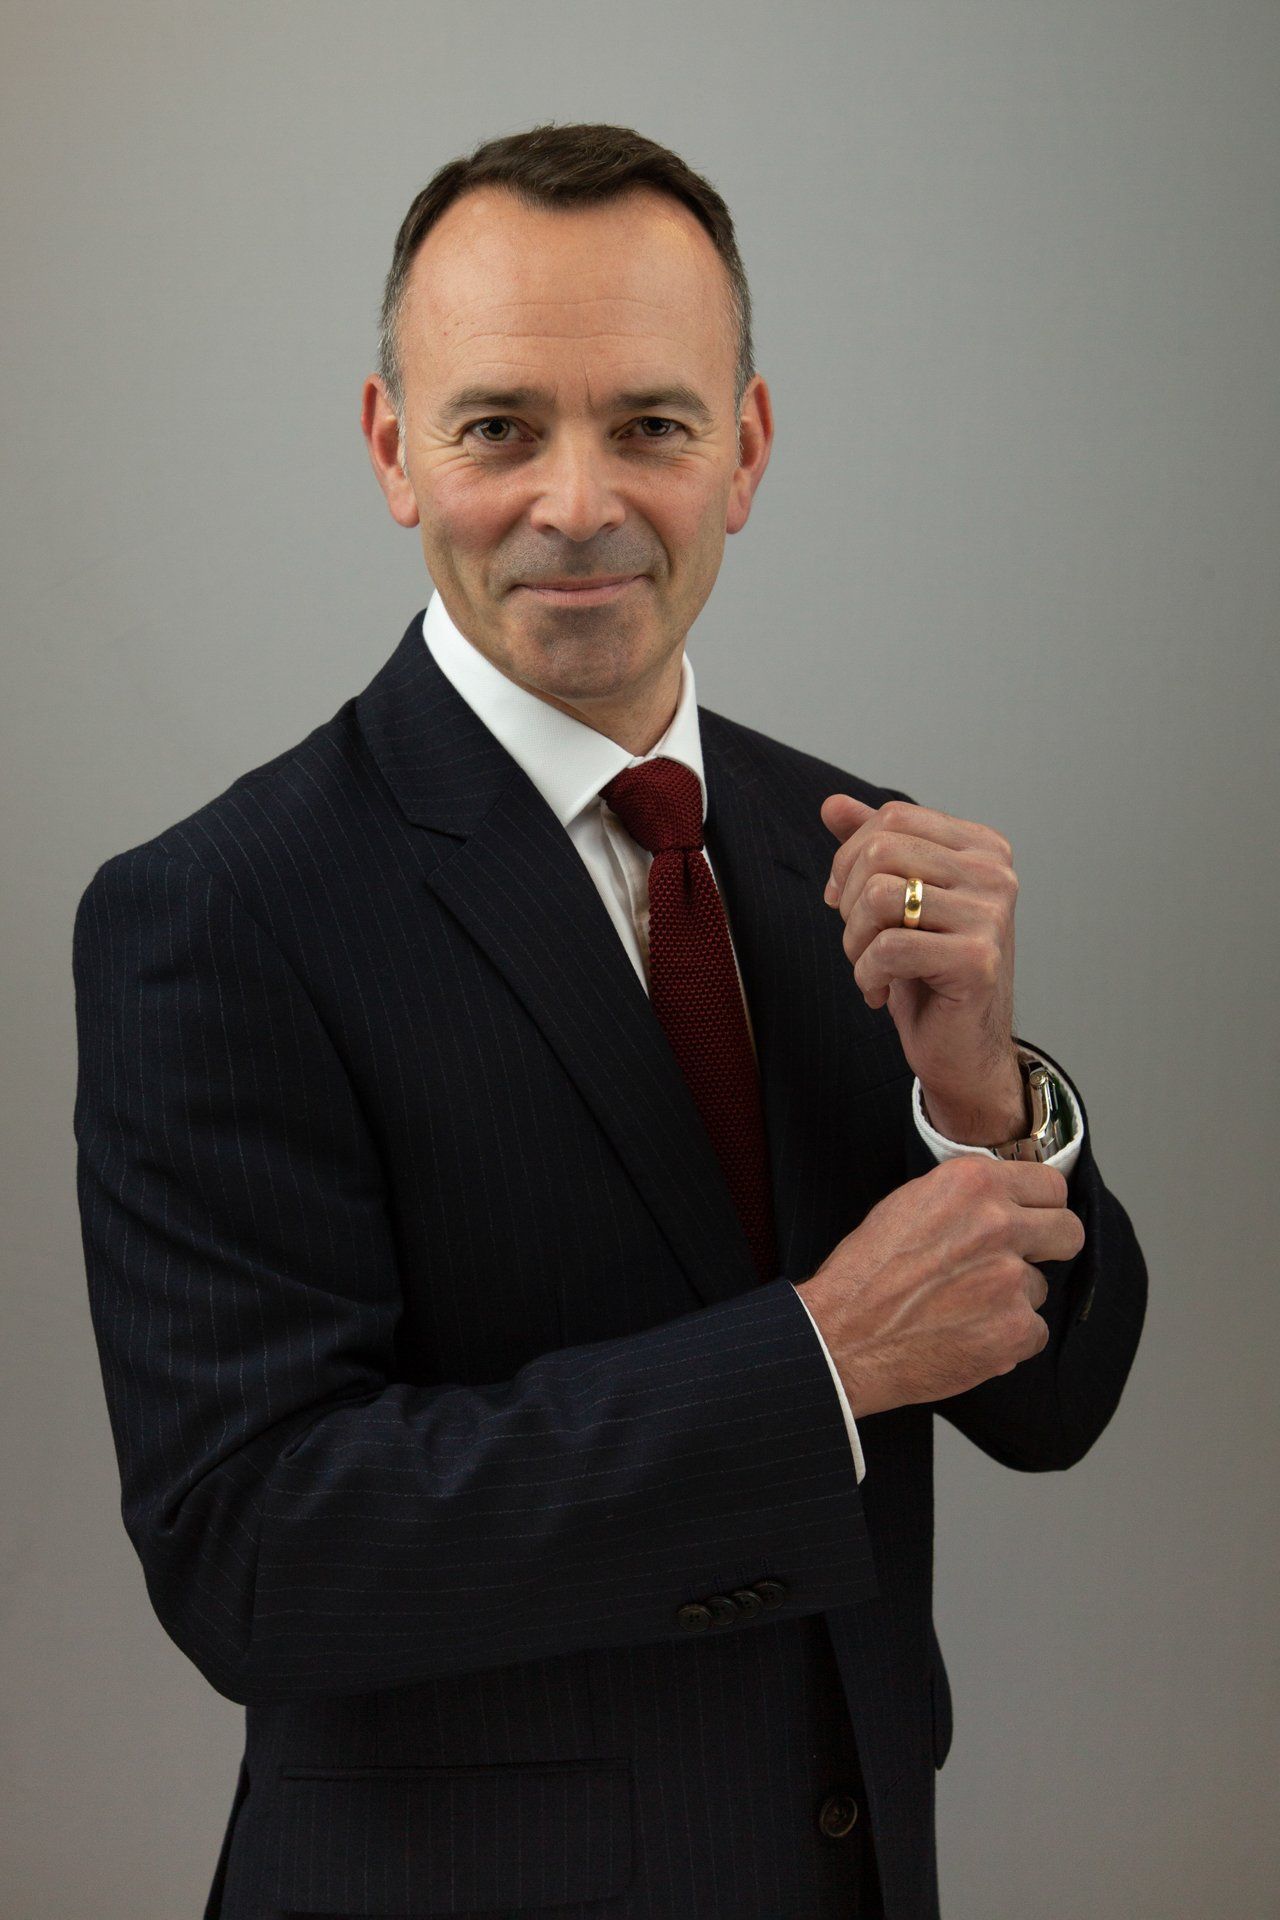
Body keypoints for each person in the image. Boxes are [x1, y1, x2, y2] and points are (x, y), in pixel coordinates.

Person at [71, 121, 1147, 1920]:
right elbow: (252, 1557)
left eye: (651, 423)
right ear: (391, 449)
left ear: (748, 449)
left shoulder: (858, 858)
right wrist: (815, 1361)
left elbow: (1055, 1411)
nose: (579, 502)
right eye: (499, 427)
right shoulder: (219, 910)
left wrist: (979, 1104)